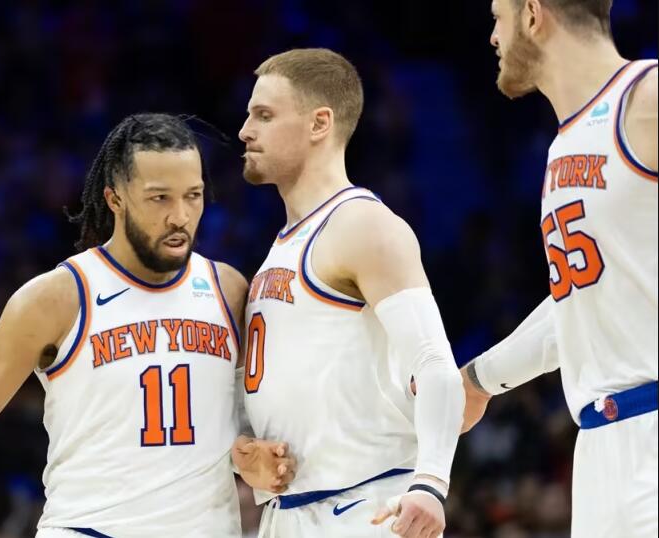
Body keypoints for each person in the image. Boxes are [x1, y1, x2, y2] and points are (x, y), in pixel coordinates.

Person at [0, 113, 293, 538]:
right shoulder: (60, 297)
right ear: (114, 199)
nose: (180, 216)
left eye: (193, 196)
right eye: (159, 198)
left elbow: (243, 424)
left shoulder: (228, 290)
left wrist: (254, 456)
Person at [237, 48, 465, 538]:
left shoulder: (362, 225)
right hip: (291, 512)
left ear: (320, 123)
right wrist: (248, 454)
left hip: (367, 506)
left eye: (264, 115)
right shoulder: (281, 247)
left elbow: (435, 364)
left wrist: (430, 483)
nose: (245, 131)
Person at [461, 1, 658, 536]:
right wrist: (479, 380)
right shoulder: (562, 145)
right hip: (598, 448)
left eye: (497, 16)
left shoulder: (646, 96)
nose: (493, 36)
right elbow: (584, 304)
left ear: (532, 14)